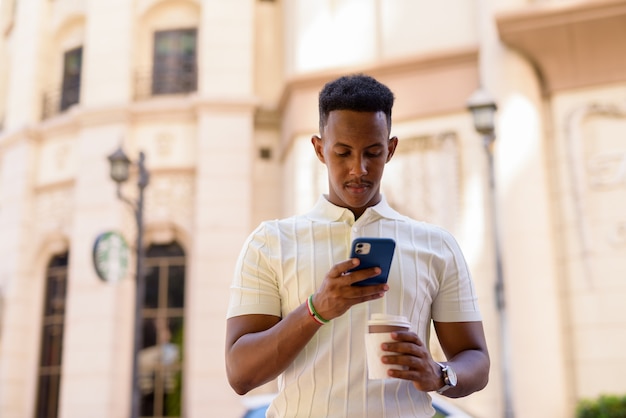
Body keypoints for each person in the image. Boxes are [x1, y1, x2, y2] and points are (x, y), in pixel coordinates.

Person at [225, 74, 489, 417]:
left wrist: (439, 374)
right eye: (343, 152)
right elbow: (241, 374)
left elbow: (476, 359)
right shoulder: (270, 243)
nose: (358, 169)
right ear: (319, 149)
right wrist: (316, 310)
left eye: (373, 153)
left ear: (391, 149)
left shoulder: (437, 245)